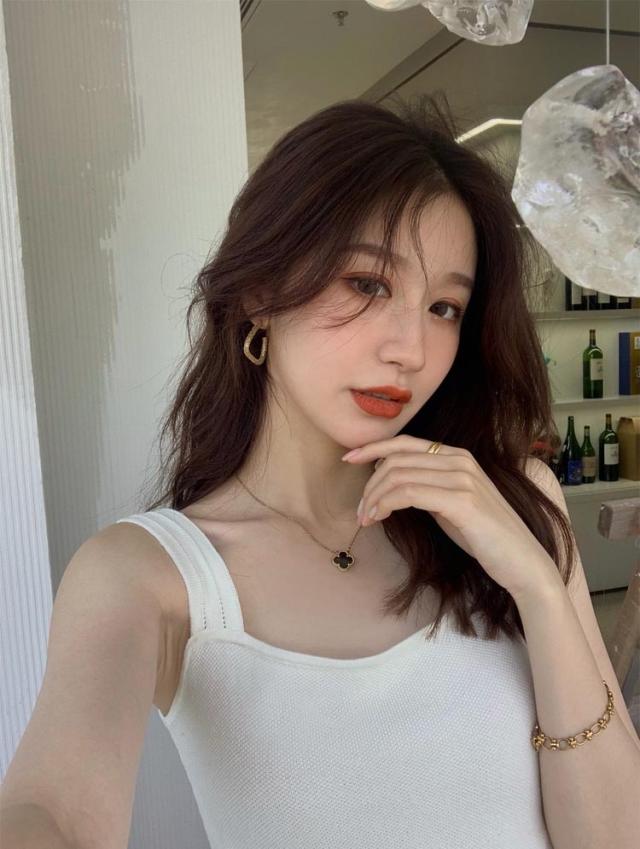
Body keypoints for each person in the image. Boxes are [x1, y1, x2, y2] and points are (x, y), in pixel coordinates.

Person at [2, 92, 637, 849]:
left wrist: (538, 587)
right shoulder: (152, 576)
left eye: (444, 308)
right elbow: (54, 811)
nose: (410, 348)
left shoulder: (514, 501)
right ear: (260, 292)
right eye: (367, 284)